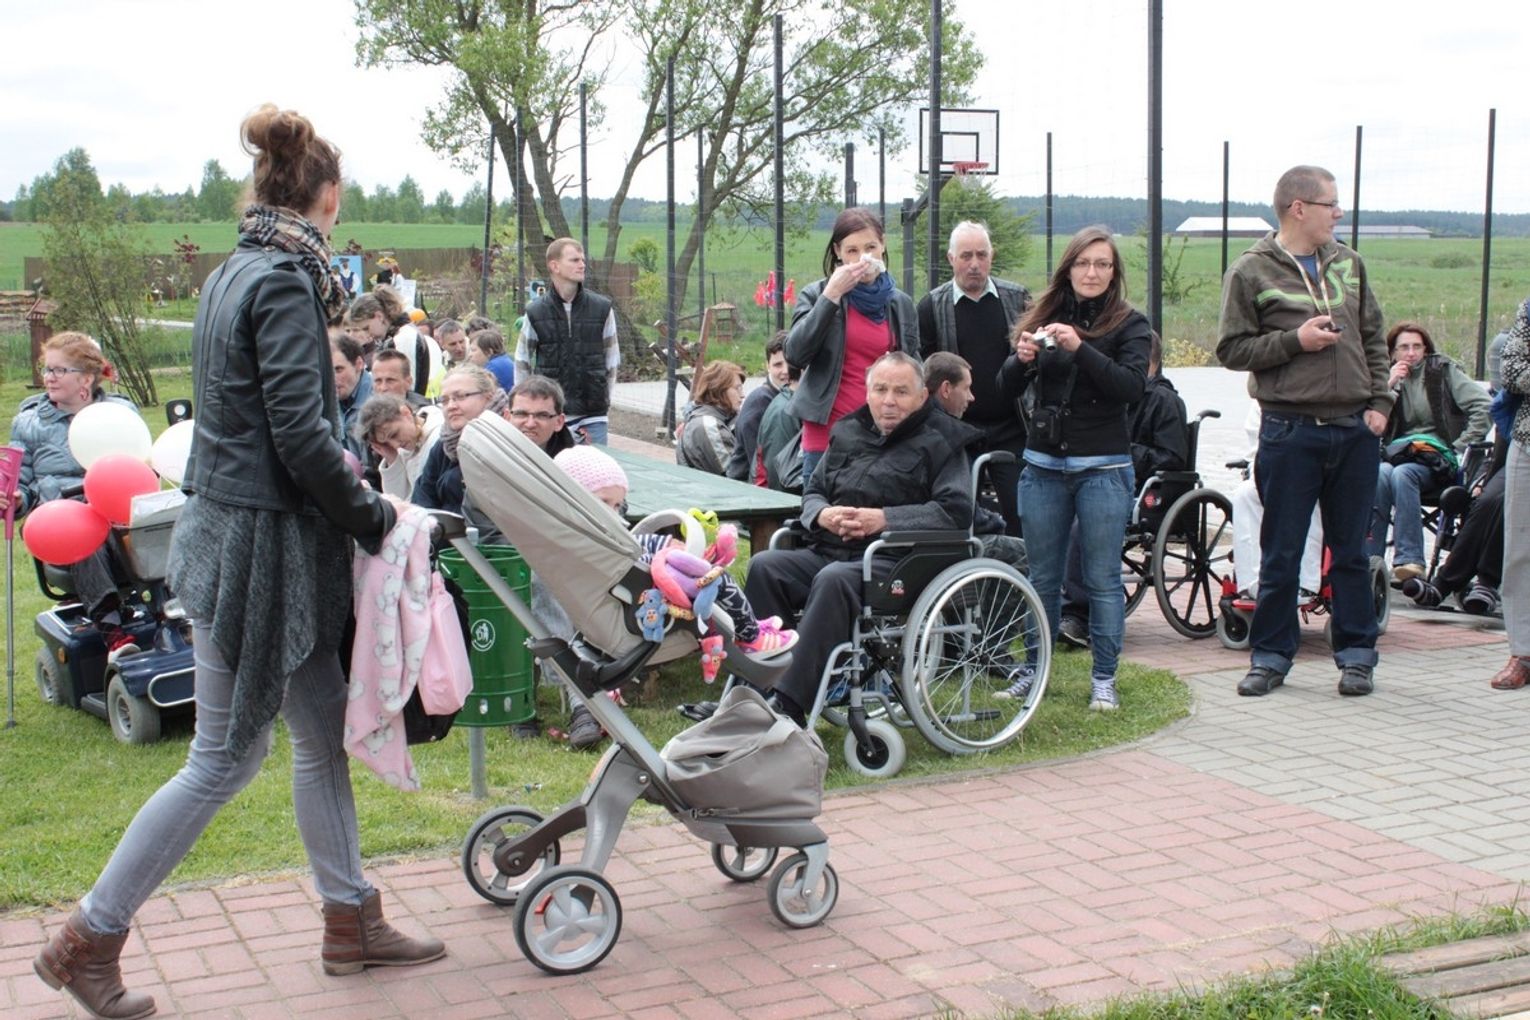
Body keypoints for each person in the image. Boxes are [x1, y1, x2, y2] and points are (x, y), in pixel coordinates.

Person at [32, 105, 444, 1020]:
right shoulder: (286, 282)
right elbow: (298, 434)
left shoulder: (233, 271)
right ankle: (87, 938)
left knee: (320, 729)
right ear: (328, 195)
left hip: (230, 530)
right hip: (264, 549)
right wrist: (373, 515)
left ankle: (351, 920)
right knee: (223, 757)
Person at [1216, 164, 1391, 699]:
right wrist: (1296, 341)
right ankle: (1270, 658)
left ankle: (1357, 657)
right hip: (1289, 431)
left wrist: (1380, 403)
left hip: (1354, 430)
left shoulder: (1350, 263)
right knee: (1282, 552)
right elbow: (1232, 350)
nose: (1338, 213)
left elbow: (1373, 336)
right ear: (1298, 208)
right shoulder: (1250, 271)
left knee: (1351, 552)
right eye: (1330, 204)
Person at [743, 352, 972, 728]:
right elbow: (813, 491)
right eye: (880, 390)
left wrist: (884, 520)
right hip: (834, 549)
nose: (888, 400)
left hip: (897, 561)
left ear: (922, 397)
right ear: (867, 393)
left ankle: (788, 703)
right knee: (766, 567)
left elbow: (955, 512)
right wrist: (822, 514)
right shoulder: (848, 431)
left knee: (834, 579)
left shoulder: (944, 440)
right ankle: (755, 689)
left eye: (901, 392)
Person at [995, 226, 1150, 710]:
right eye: (1083, 263)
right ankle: (1033, 671)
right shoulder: (1045, 317)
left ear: (1114, 272)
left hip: (1103, 467)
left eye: (1102, 264)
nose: (1092, 272)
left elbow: (1131, 388)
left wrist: (1081, 348)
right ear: (1068, 268)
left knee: (1102, 579)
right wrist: (1021, 359)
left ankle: (1103, 677)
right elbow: (1003, 388)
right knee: (1041, 578)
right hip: (1043, 466)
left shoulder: (1131, 324)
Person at [555, 445, 796, 656]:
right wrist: (666, 555)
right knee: (716, 578)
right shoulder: (594, 542)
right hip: (640, 605)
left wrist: (666, 545)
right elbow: (632, 558)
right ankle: (751, 636)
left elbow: (634, 545)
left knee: (694, 564)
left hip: (620, 601)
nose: (613, 512)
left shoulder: (578, 536)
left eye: (618, 505)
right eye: (603, 502)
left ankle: (749, 624)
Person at [5, 332, 146, 661]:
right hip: (61, 519)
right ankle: (112, 631)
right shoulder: (29, 423)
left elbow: (141, 467)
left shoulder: (119, 412)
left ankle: (175, 612)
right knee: (83, 528)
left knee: (150, 523)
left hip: (117, 512)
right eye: (47, 369)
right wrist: (17, 500)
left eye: (59, 370)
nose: (49, 377)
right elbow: (21, 486)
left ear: (86, 378)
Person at [1056, 331, 1189, 648]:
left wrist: (1123, 451)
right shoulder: (1117, 397)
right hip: (1106, 480)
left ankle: (1077, 614)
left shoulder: (1165, 401)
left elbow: (1172, 458)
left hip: (1142, 491)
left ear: (1146, 359)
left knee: (1083, 522)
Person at [785, 207, 920, 484]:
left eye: (870, 248)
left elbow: (913, 364)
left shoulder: (900, 303)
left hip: (883, 436)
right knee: (826, 509)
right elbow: (796, 354)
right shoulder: (816, 294)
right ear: (838, 252)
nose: (863, 259)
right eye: (852, 251)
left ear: (883, 245)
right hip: (827, 436)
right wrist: (831, 296)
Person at [917, 221, 1032, 535]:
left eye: (982, 255)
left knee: (1022, 515)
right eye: (966, 256)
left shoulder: (1018, 300)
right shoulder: (932, 306)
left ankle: (1017, 565)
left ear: (992, 256)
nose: (974, 264)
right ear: (950, 258)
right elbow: (925, 373)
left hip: (1012, 428)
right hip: (957, 432)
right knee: (960, 517)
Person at [1368, 321, 1491, 581]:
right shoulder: (1384, 376)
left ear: (1426, 349)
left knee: (1402, 474)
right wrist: (1389, 384)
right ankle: (1369, 561)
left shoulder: (1442, 371)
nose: (1411, 353)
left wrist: (1460, 445)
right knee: (1381, 474)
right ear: (1392, 352)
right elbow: (1366, 416)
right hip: (1397, 454)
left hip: (1438, 457)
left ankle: (1410, 560)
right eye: (1404, 347)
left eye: (1417, 347)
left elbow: (1484, 406)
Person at [516, 238, 619, 444]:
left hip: (593, 415)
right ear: (554, 266)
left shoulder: (602, 308)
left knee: (594, 465)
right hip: (549, 416)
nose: (582, 265)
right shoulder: (536, 312)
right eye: (574, 260)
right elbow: (522, 361)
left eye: (583, 260)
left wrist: (604, 398)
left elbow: (612, 359)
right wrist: (527, 407)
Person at [1490, 300, 1530, 690]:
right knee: (1519, 550)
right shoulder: (1529, 309)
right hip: (1527, 442)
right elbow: (1513, 369)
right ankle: (1523, 652)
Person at [412, 363, 505, 513]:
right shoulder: (444, 445)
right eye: (445, 400)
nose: (451, 406)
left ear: (487, 397)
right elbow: (423, 497)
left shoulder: (504, 440)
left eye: (460, 397)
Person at [350, 286, 442, 398]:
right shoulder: (398, 335)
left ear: (379, 316)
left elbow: (407, 389)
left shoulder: (404, 337)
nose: (367, 334)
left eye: (366, 328)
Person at [725, 334, 791, 482]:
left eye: (789, 362)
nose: (785, 370)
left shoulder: (787, 396)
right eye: (778, 365)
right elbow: (758, 462)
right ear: (767, 366)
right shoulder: (761, 402)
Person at [356, 393, 443, 500]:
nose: (396, 445)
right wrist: (392, 459)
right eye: (387, 443)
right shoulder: (403, 448)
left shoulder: (438, 437)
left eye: (394, 434)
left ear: (406, 413)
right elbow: (400, 501)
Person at [676, 360, 745, 475]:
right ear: (719, 390)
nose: (742, 395)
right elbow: (735, 475)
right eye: (737, 388)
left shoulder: (719, 417)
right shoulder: (709, 426)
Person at [330, 332, 373, 465]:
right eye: (326, 371)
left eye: (338, 370)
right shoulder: (325, 400)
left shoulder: (379, 400)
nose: (331, 379)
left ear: (359, 364)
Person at [469, 327, 516, 392]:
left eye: (473, 350)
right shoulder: (504, 360)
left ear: (489, 352)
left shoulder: (493, 367)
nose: (470, 355)